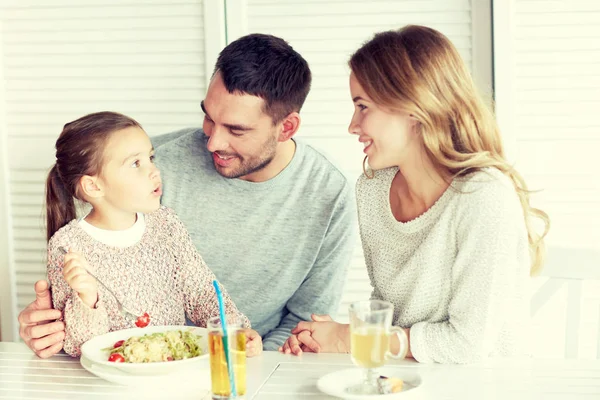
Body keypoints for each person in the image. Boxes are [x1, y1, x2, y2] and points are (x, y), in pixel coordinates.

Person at [18, 33, 357, 357]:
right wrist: (52, 323)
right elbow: (88, 247)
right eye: (209, 118)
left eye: (236, 130)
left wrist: (243, 360)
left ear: (287, 127)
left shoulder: (329, 193)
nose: (212, 143)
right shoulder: (156, 163)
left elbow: (305, 323)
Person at [280, 25, 550, 363]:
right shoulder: (373, 188)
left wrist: (354, 338)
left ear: (412, 107)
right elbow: (392, 314)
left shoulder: (483, 196)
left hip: (485, 384)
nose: (352, 124)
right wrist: (329, 336)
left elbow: (467, 343)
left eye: (363, 106)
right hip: (412, 378)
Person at [43, 111, 261, 357]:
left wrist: (232, 328)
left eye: (151, 158)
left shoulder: (166, 224)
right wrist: (87, 299)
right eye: (136, 164)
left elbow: (200, 291)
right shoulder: (67, 246)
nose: (154, 171)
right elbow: (77, 347)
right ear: (94, 186)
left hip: (173, 367)